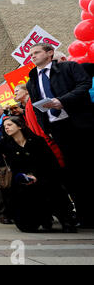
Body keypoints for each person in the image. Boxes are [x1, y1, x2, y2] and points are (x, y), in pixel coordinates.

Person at [27, 43, 94, 228]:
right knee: (74, 174)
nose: (32, 56)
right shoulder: (32, 79)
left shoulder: (68, 67)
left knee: (89, 167)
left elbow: (84, 84)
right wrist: (45, 127)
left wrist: (62, 100)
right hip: (57, 129)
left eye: (37, 52)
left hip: (80, 124)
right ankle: (85, 216)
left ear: (49, 53)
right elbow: (36, 105)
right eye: (31, 54)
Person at [0, 116, 77, 233]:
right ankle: (40, 219)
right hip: (22, 180)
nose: (6, 128)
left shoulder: (37, 141)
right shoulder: (6, 144)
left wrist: (36, 176)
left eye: (9, 125)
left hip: (44, 177)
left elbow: (50, 163)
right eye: (5, 127)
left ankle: (65, 220)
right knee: (27, 226)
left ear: (19, 126)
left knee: (53, 190)